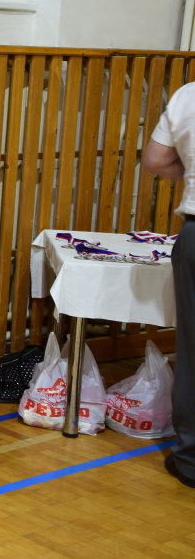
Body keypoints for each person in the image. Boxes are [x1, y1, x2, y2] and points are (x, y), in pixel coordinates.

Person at [143, 83, 195, 488]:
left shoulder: (188, 95)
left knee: (192, 350)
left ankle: (192, 460)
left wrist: (188, 176)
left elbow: (156, 159)